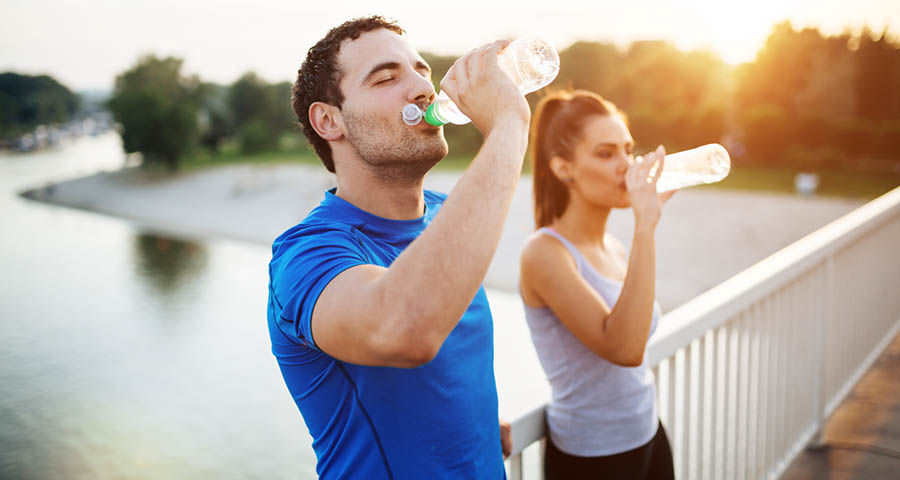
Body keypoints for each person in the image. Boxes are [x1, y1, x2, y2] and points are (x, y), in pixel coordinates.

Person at [267, 16, 529, 479]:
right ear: (329, 120)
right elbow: (405, 329)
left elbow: (445, 371)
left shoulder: (447, 216)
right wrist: (509, 123)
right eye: (387, 77)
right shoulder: (305, 256)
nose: (423, 89)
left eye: (422, 71)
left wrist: (473, 426)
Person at [518, 90, 676, 479]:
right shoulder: (545, 253)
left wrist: (642, 230)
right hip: (594, 457)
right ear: (563, 168)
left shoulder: (614, 247)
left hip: (648, 434)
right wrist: (646, 225)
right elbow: (624, 347)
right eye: (606, 154)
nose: (627, 165)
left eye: (628, 149)